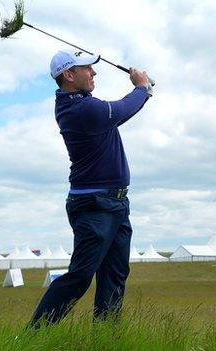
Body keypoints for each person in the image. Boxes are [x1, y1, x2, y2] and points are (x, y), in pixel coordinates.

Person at [29, 49, 151, 328]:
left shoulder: (86, 104)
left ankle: (105, 337)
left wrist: (142, 92)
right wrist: (142, 87)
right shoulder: (79, 109)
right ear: (69, 75)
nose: (94, 72)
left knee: (115, 275)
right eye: (87, 68)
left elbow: (121, 110)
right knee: (80, 276)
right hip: (95, 204)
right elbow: (121, 108)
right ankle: (31, 336)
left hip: (117, 204)